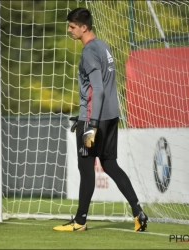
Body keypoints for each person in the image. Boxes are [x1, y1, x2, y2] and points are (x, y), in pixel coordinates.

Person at [53, 8, 148, 232]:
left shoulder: (88, 52)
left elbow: (97, 89)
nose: (69, 30)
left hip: (94, 119)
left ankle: (80, 222)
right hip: (111, 116)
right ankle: (138, 212)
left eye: (72, 26)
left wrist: (91, 123)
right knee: (110, 165)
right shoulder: (103, 46)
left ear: (84, 27)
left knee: (86, 170)